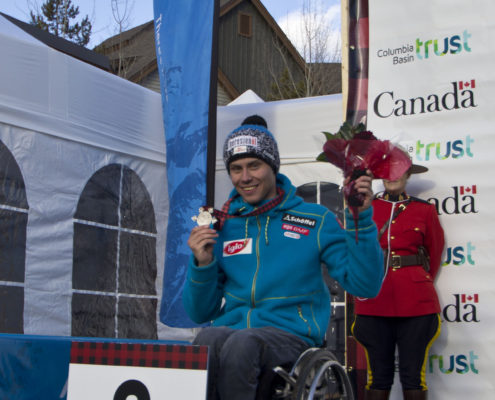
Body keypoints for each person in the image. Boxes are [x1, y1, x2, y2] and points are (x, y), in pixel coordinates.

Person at [184, 115, 384, 400]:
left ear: (273, 167)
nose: (245, 177)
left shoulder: (314, 219)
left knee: (244, 344)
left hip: (291, 337)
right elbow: (200, 314)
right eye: (236, 168)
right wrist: (202, 265)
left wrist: (360, 219)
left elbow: (365, 285)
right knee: (207, 338)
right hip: (235, 337)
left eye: (254, 165)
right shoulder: (223, 225)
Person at [352, 155, 445, 400]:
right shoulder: (365, 208)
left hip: (416, 302)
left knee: (413, 376)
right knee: (378, 376)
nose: (393, 176)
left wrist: (417, 279)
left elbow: (434, 253)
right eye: (387, 171)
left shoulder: (424, 210)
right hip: (375, 300)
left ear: (408, 175)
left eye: (399, 170)